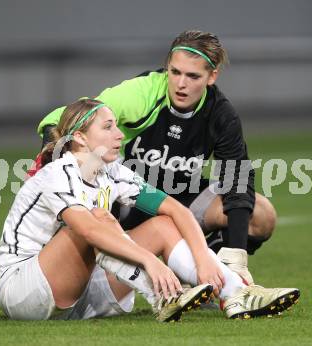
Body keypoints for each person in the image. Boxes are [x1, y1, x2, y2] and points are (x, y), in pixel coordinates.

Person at [0, 99, 299, 321]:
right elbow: (88, 231)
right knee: (99, 219)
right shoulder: (58, 172)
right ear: (79, 138)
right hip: (25, 291)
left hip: (80, 292)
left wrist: (205, 264)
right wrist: (151, 263)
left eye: (117, 125)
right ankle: (163, 295)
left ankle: (235, 294)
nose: (119, 135)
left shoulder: (112, 171)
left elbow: (177, 211)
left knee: (162, 224)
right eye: (108, 127)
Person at [35, 30, 276, 285]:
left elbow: (237, 181)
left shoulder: (220, 114)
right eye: (175, 72)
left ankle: (210, 277)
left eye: (193, 76)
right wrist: (57, 163)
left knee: (260, 215)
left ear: (211, 76)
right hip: (131, 198)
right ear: (167, 68)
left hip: (182, 198)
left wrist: (236, 252)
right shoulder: (142, 93)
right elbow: (57, 119)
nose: (181, 83)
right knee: (85, 182)